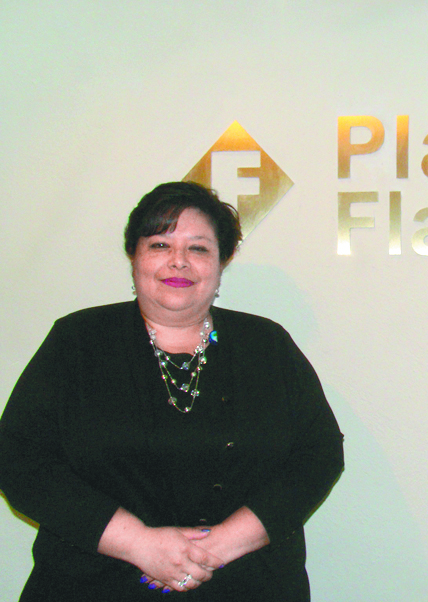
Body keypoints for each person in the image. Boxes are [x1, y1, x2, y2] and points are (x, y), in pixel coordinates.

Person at [0, 182, 344, 601]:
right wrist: (138, 544)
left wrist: (217, 548)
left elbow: (319, 454)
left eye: (198, 248)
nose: (178, 261)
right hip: (91, 584)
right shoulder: (77, 341)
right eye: (160, 245)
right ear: (134, 257)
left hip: (249, 583)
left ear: (221, 262)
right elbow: (18, 458)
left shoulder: (266, 344)